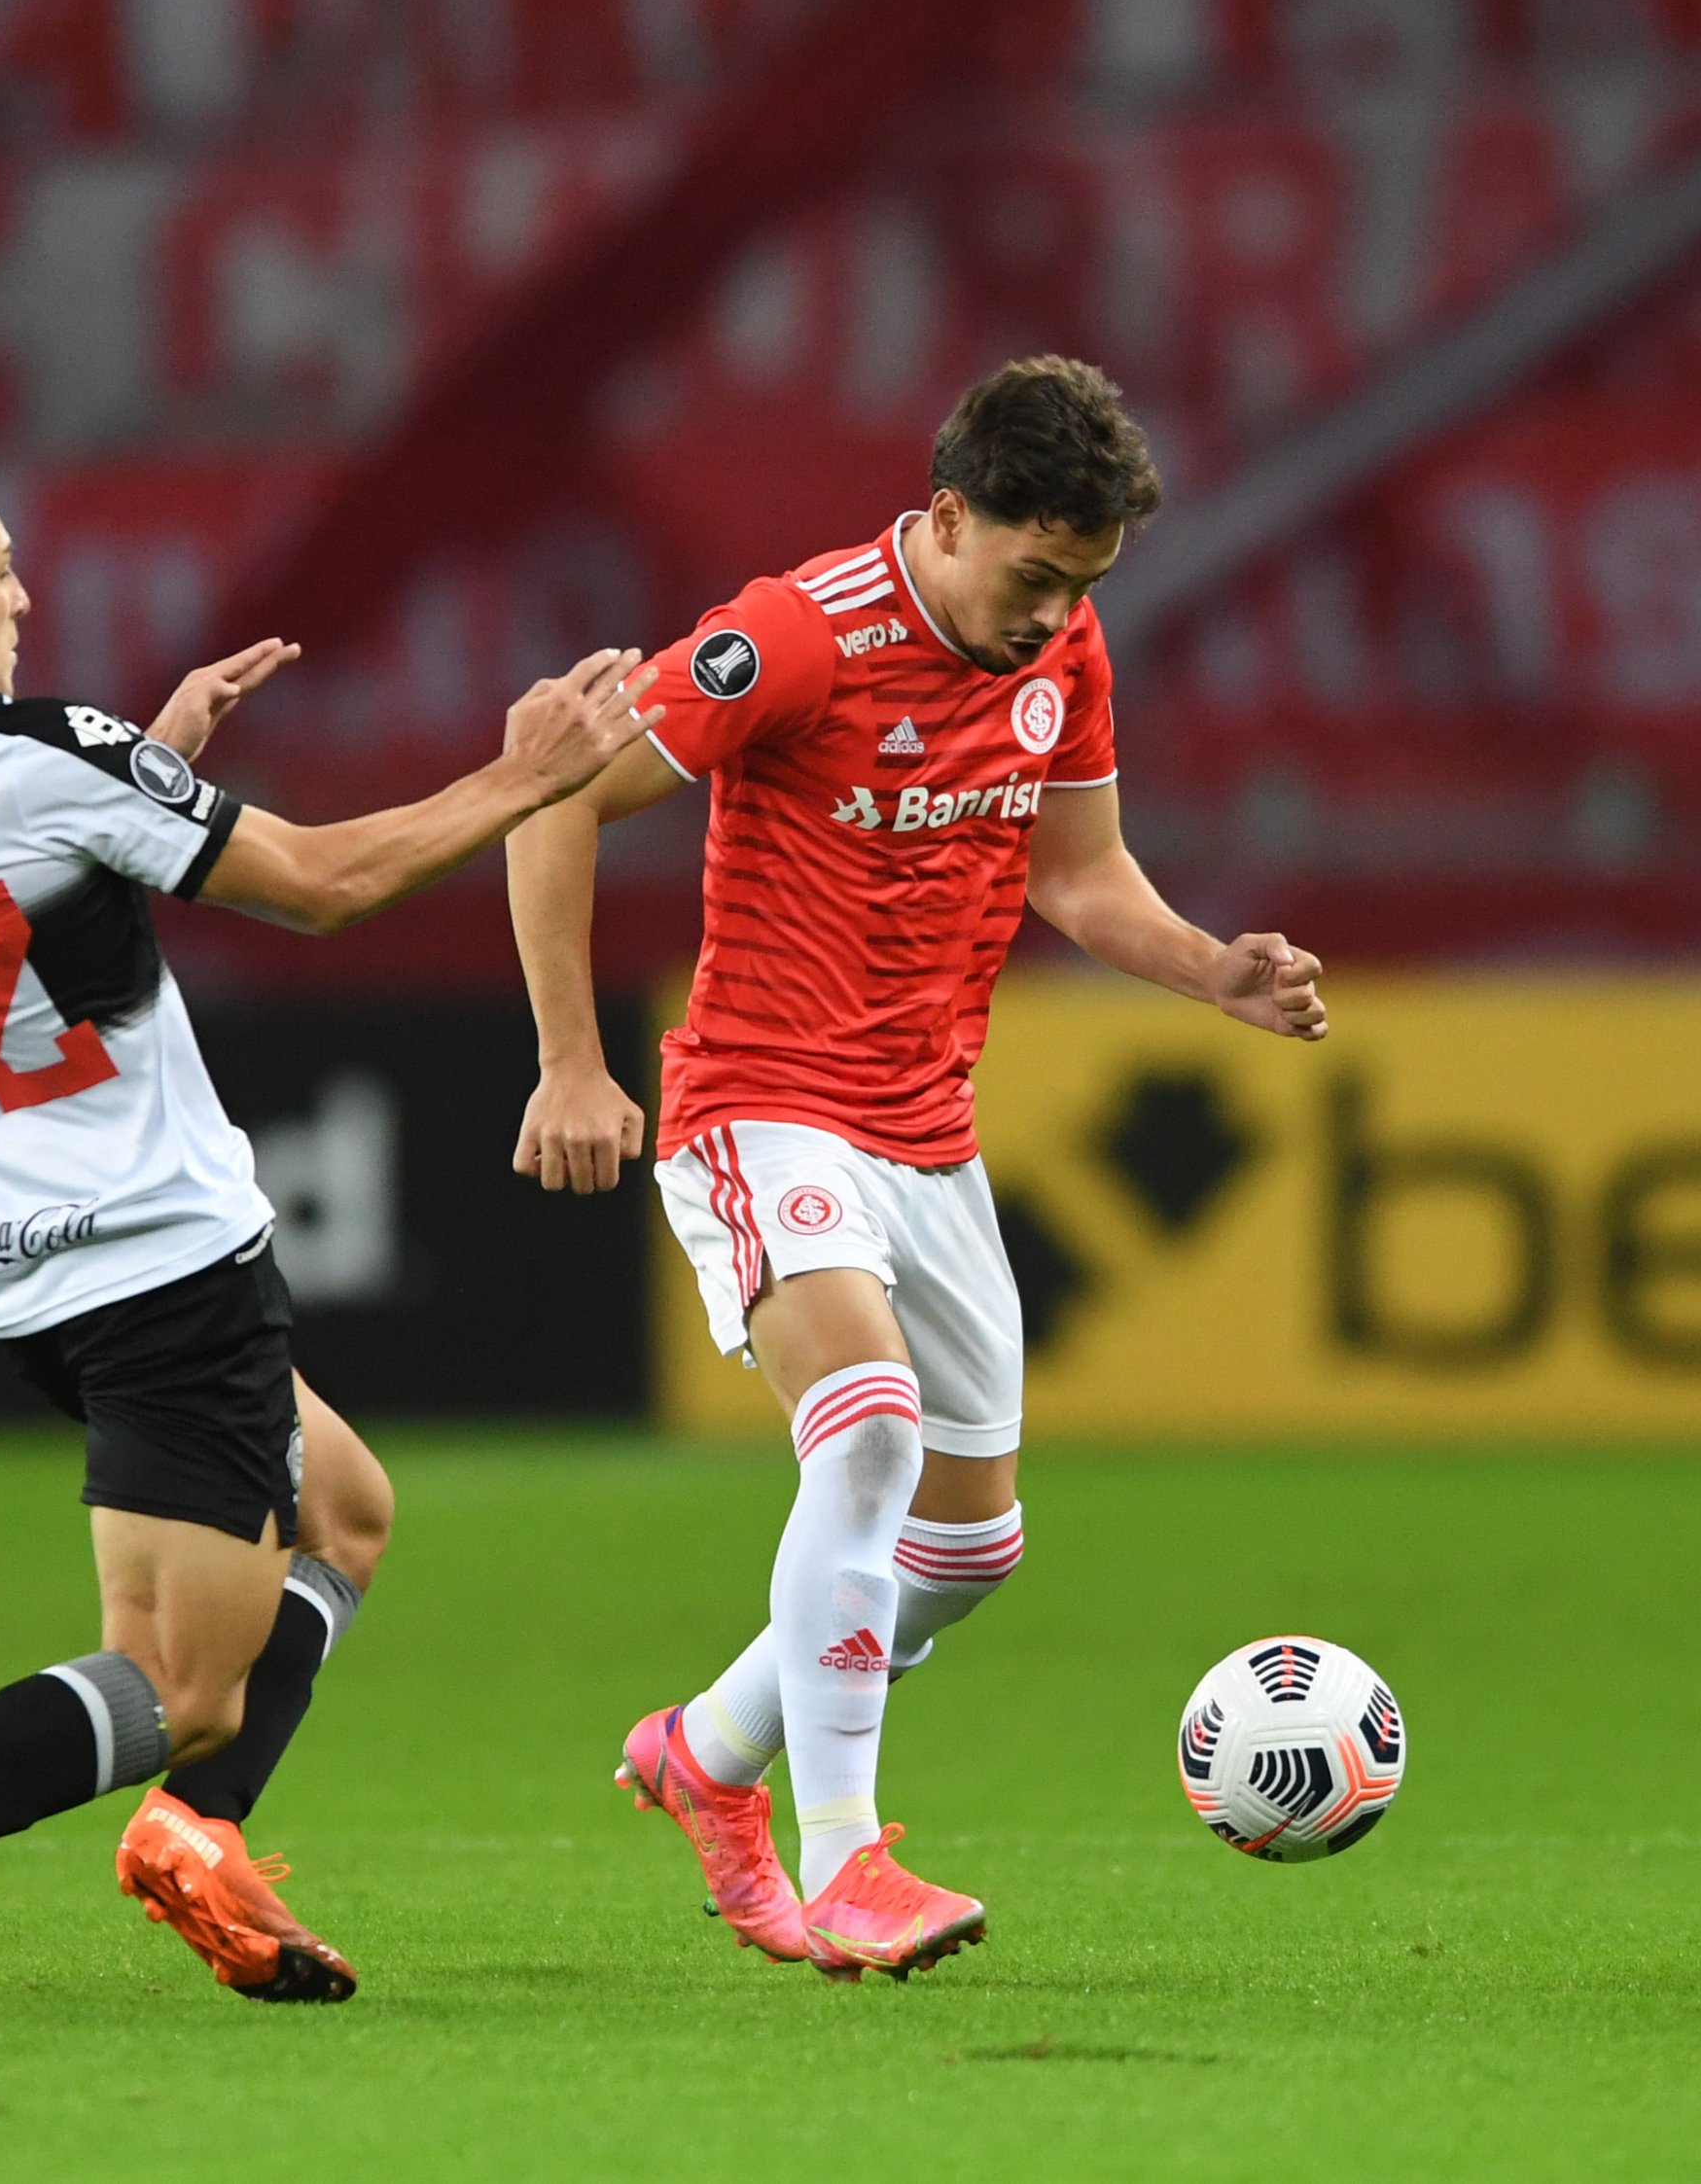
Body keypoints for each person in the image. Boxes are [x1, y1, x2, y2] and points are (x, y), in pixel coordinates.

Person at [0, 449, 648, 2015]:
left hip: (13, 1261)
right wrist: (526, 773)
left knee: (352, 1513)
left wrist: (151, 770)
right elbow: (325, 885)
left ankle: (200, 1843)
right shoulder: (44, 752)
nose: (22, 593)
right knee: (183, 1689)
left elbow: (16, 905)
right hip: (163, 1265)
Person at [504, 356, 1328, 1981]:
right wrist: (572, 1061)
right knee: (868, 1432)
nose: (1052, 617)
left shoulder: (1061, 646)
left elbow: (1080, 879)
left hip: (926, 1136)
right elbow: (551, 799)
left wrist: (1209, 972)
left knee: (967, 1550)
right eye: (1032, 576)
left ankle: (709, 1756)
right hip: (759, 1103)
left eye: (1081, 586)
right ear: (947, 517)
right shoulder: (797, 636)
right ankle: (850, 1862)